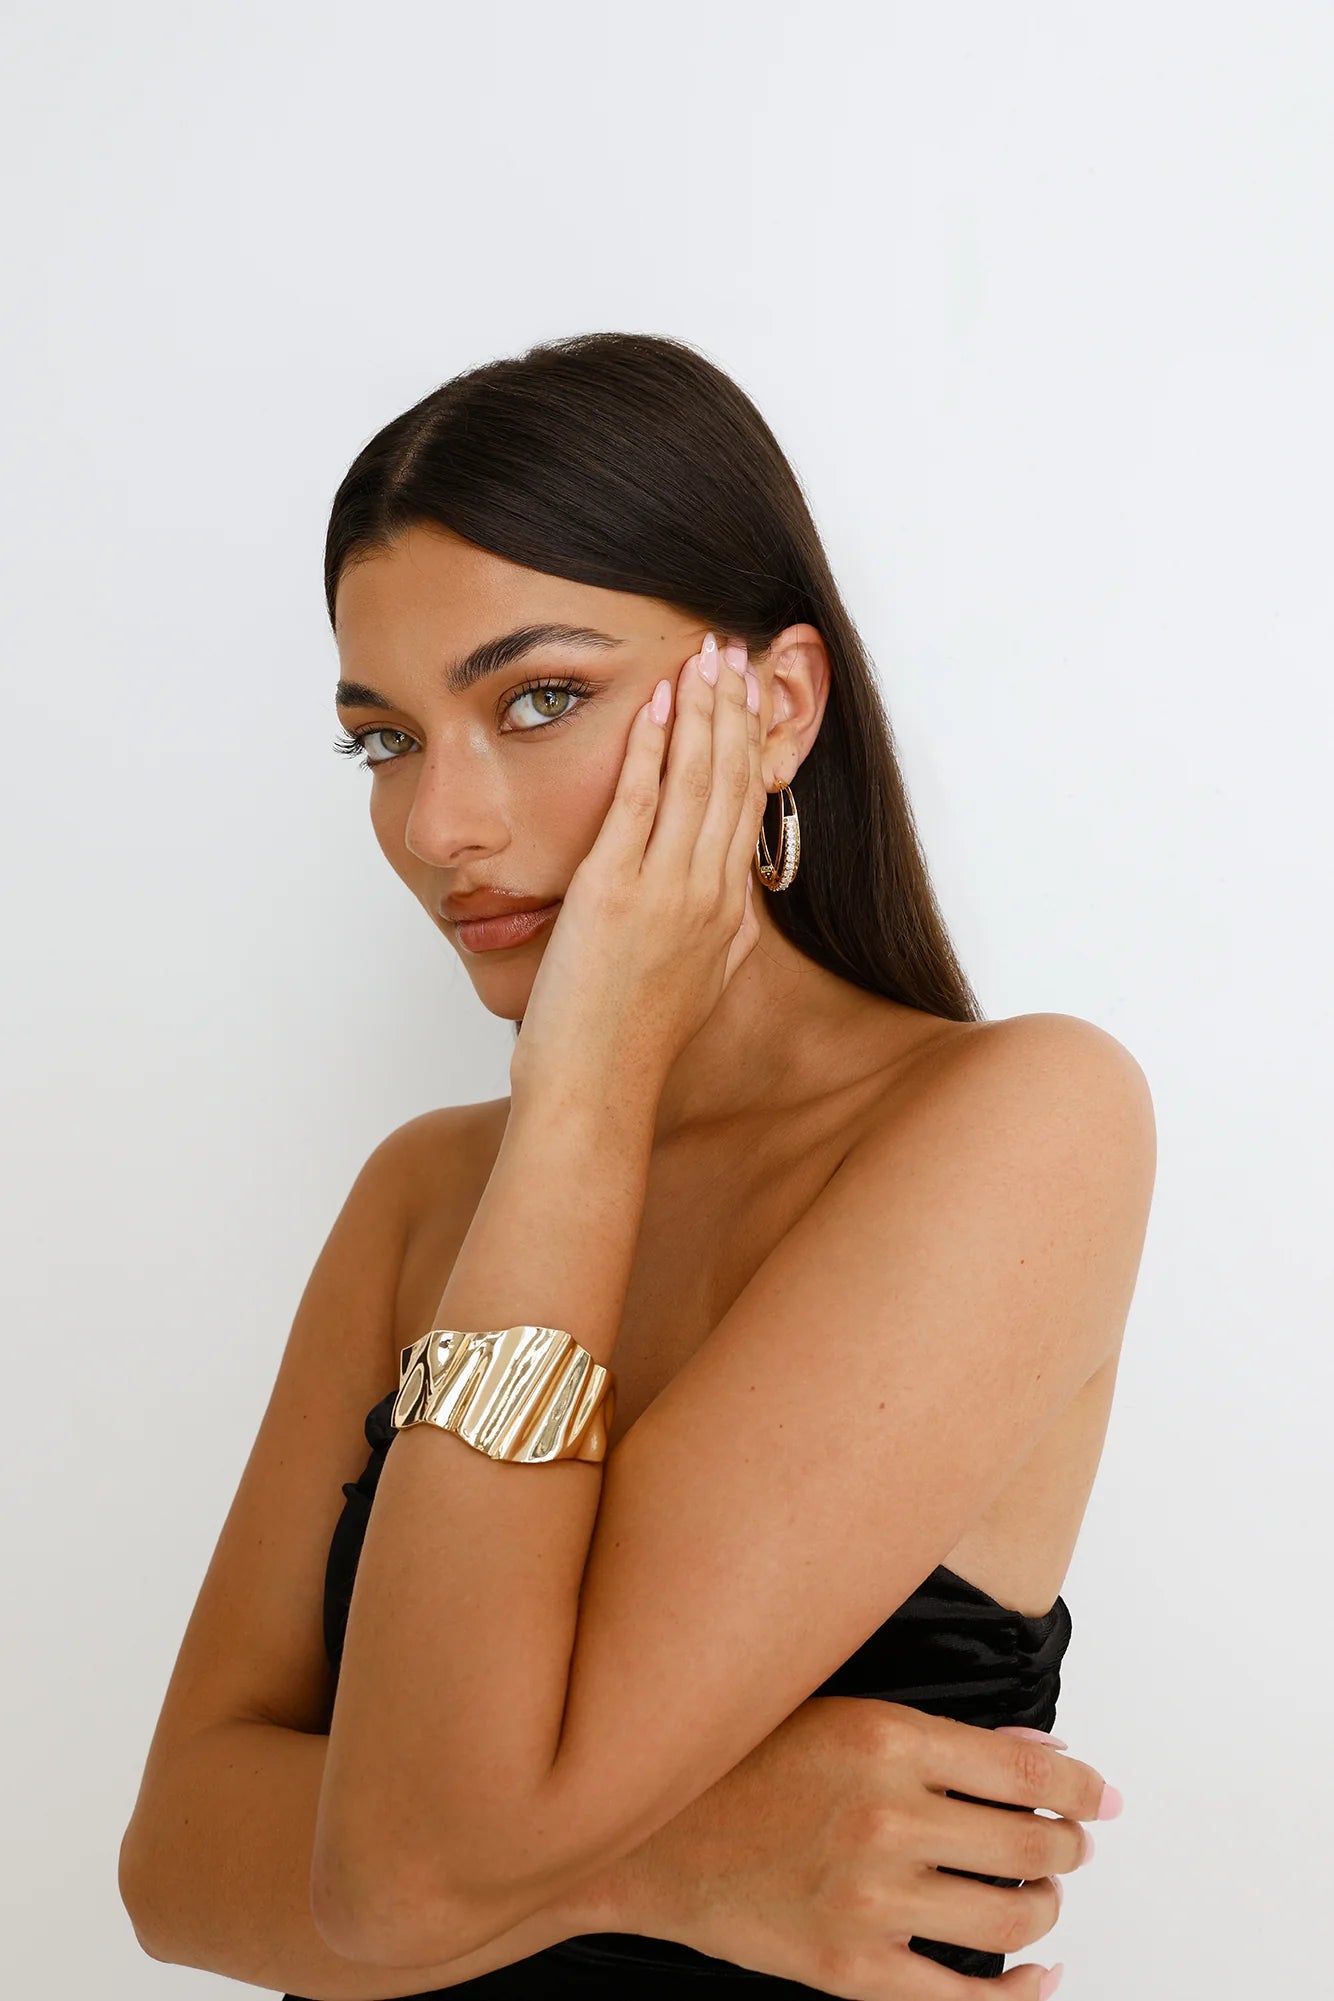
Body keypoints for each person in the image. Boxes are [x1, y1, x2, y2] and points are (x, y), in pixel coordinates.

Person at [119, 333, 1154, 2000]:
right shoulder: (420, 1197)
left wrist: (584, 1082)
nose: (440, 825)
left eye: (539, 699)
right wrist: (692, 1856)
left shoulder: (1020, 1121)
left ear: (780, 705)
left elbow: (401, 1876)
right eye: (383, 740)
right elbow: (175, 1865)